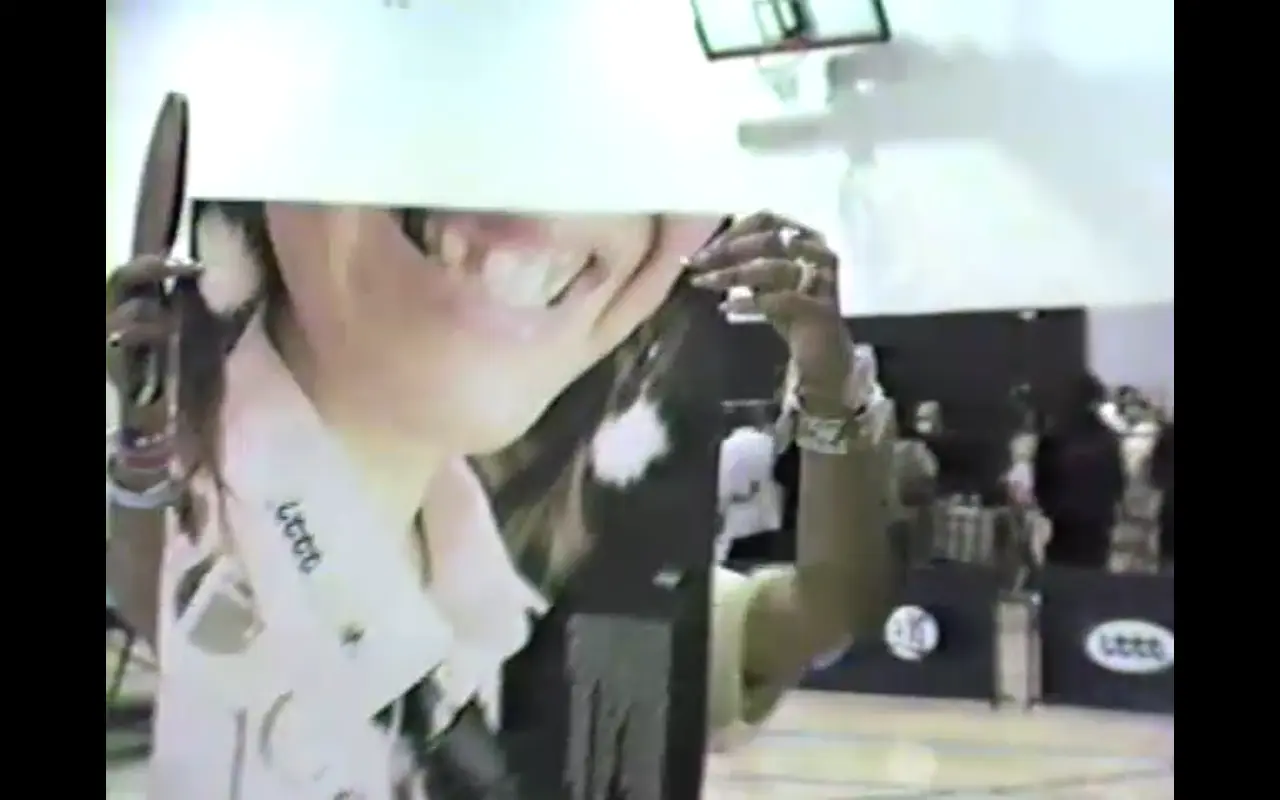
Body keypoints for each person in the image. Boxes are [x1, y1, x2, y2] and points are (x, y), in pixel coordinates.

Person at [106, 207, 896, 798]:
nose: (545, 201)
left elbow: (824, 609)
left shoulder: (525, 609)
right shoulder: (160, 515)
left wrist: (831, 380)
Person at [1033, 373, 1125, 570]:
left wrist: (1051, 508)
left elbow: (1041, 483)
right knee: (1092, 573)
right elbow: (1118, 483)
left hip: (1064, 523)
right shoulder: (1108, 439)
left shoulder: (1054, 437)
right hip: (1096, 524)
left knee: (1062, 574)